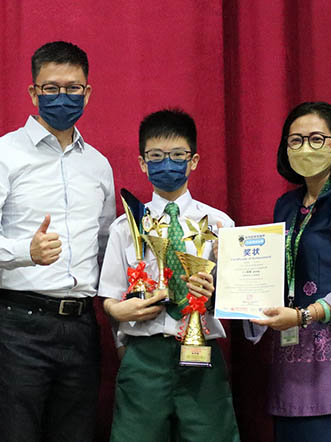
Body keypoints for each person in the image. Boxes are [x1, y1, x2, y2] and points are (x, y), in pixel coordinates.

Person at [0, 41, 116, 442]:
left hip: (82, 325)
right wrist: (25, 252)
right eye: (51, 88)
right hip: (20, 327)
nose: (62, 97)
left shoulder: (98, 165)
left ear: (88, 93)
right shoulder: (1, 155)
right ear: (33, 93)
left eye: (73, 88)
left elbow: (106, 246)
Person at [98, 109, 240, 442]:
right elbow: (109, 298)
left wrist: (215, 292)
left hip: (202, 353)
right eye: (156, 156)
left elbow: (238, 298)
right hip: (144, 355)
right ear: (142, 163)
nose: (167, 164)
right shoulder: (125, 227)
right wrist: (119, 315)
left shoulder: (221, 225)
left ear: (194, 160)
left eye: (178, 156)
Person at [246, 102, 331, 442]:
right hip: (287, 368)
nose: (305, 147)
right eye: (296, 140)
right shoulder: (285, 206)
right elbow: (272, 273)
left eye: (316, 139)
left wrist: (305, 315)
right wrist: (234, 276)